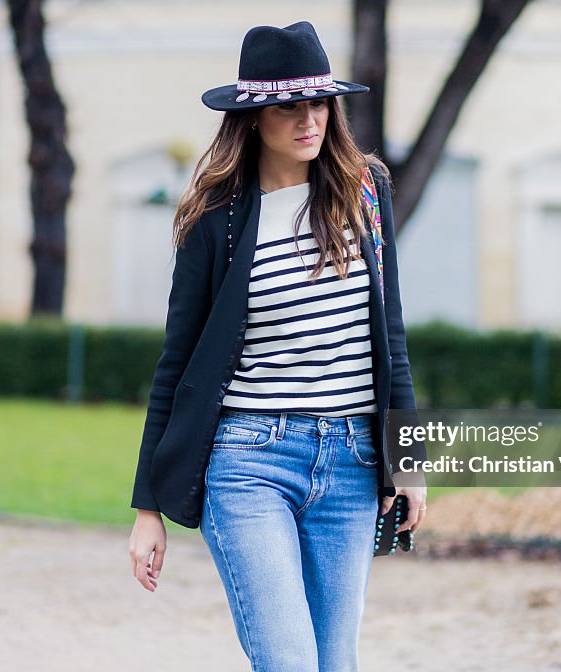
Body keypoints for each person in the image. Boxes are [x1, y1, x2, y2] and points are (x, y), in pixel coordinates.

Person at [128, 20, 427, 671]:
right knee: (290, 662)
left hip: (350, 465)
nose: (309, 120)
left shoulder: (366, 194)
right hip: (249, 463)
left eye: (319, 102)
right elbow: (177, 367)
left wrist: (408, 463)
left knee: (335, 663)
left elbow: (391, 340)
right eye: (289, 106)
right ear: (253, 116)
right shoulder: (217, 219)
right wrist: (147, 506)